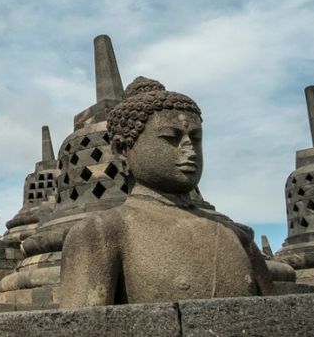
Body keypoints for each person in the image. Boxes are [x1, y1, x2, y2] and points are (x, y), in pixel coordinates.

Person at [59, 77, 273, 307]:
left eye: (196, 138)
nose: (189, 150)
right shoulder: (101, 233)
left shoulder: (236, 237)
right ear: (122, 151)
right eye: (171, 138)